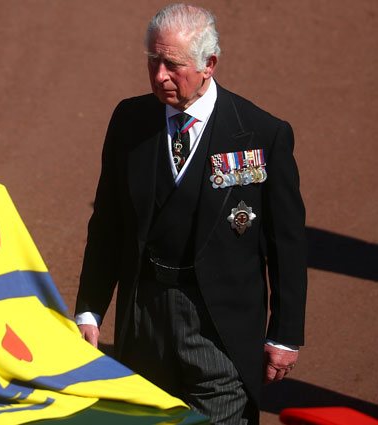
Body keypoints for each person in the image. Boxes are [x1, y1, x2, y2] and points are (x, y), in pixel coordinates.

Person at [74, 3, 307, 424]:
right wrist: (90, 308)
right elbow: (108, 223)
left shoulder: (262, 133)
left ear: (209, 64)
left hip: (220, 329)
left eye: (172, 64)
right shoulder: (130, 120)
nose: (159, 74)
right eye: (153, 60)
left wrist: (285, 334)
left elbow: (286, 243)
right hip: (145, 320)